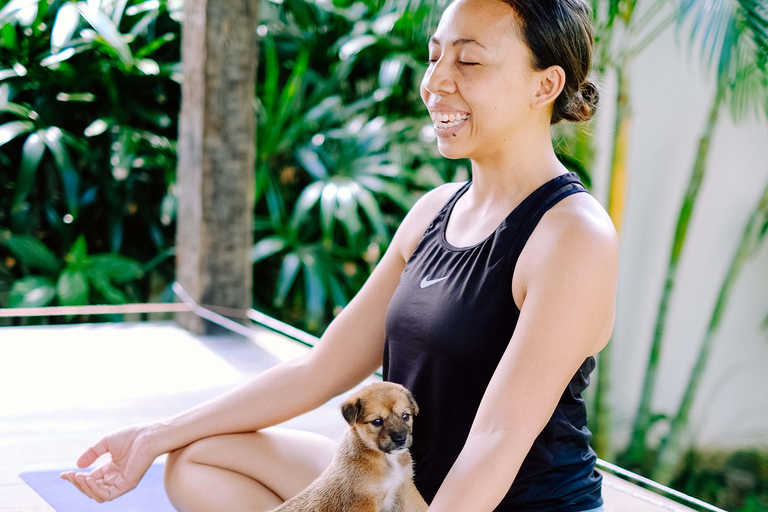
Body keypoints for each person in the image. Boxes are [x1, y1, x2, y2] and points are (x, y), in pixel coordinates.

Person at [60, 0, 618, 510]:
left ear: (544, 85)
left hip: (503, 504)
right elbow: (319, 368)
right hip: (401, 486)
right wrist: (153, 437)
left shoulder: (573, 237)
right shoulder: (433, 212)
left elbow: (498, 439)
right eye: (433, 57)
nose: (435, 82)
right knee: (197, 459)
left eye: (468, 63)